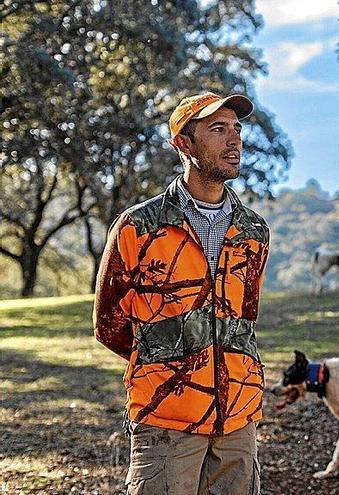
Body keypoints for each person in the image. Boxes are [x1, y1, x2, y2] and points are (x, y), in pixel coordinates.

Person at [93, 92, 271, 494]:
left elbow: (243, 320)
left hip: (238, 422)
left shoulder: (254, 232)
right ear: (184, 144)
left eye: (237, 129)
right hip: (167, 417)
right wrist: (170, 367)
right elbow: (109, 325)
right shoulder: (138, 226)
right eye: (218, 129)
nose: (235, 140)